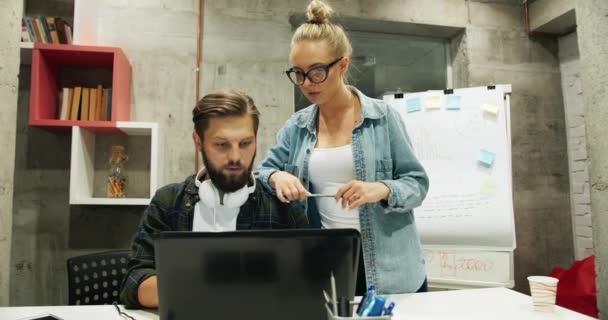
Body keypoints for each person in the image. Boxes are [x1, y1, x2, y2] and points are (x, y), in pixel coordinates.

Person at [255, 0, 429, 295]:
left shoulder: (382, 118)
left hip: (390, 269)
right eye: (298, 73)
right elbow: (263, 171)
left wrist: (381, 189)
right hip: (327, 265)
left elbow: (418, 184)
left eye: (317, 71)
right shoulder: (296, 127)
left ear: (343, 65)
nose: (307, 83)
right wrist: (276, 177)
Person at [120, 90, 309, 309]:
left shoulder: (283, 208)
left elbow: (311, 282)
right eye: (221, 145)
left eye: (246, 143)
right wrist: (204, 284)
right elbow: (133, 283)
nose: (235, 157)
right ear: (198, 142)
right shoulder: (168, 202)